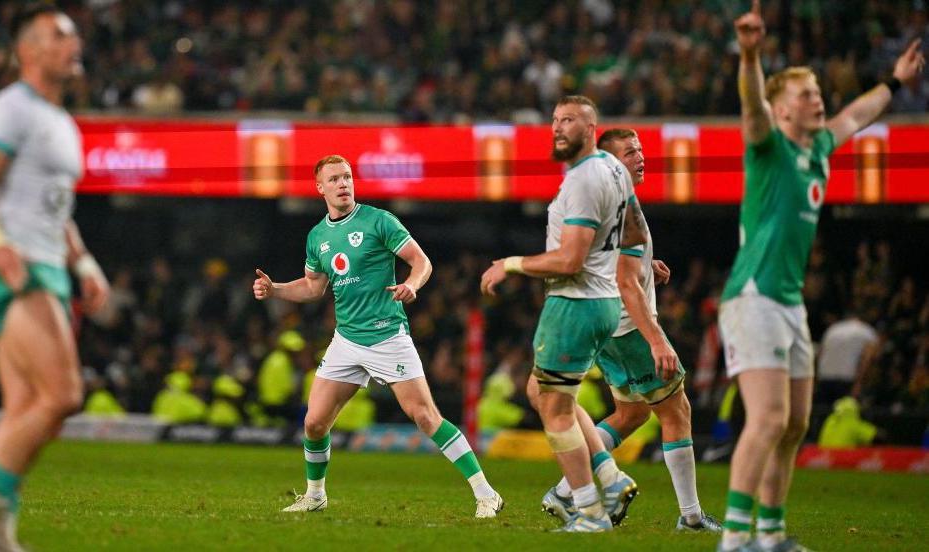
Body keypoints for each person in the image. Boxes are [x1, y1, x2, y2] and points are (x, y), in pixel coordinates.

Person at [718, 3, 924, 551]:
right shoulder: (769, 146)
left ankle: (770, 534)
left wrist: (894, 81)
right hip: (754, 297)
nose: (818, 99)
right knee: (767, 419)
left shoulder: (821, 146)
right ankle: (734, 539)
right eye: (806, 94)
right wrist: (750, 55)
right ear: (783, 109)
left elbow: (858, 114)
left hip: (788, 304)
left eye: (817, 92)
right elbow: (751, 105)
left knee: (794, 425)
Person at [254, 154, 502, 518]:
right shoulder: (318, 236)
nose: (343, 183)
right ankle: (315, 495)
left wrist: (412, 284)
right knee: (314, 422)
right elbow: (313, 287)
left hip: (387, 336)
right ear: (320, 187)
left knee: (425, 416)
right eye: (334, 179)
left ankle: (486, 493)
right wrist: (274, 289)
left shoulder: (379, 220)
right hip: (347, 340)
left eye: (347, 177)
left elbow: (421, 262)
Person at [0, 5, 110, 550]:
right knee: (63, 395)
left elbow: (56, 210)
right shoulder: (10, 109)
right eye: (58, 36)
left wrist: (83, 262)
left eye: (73, 35)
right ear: (28, 50)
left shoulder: (61, 121)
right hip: (17, 269)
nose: (73, 44)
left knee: (24, 408)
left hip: (47, 266)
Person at [541, 128, 721, 532]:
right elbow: (624, 282)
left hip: (606, 328)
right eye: (629, 152)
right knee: (677, 411)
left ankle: (565, 492)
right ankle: (691, 517)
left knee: (632, 412)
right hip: (630, 328)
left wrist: (645, 265)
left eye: (640, 150)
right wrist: (656, 339)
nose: (640, 157)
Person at [480, 95, 643, 532]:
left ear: (590, 129)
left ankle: (589, 510)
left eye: (568, 120)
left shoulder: (585, 179)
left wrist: (511, 264)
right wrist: (626, 267)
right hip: (603, 302)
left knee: (554, 410)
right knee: (543, 391)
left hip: (574, 303)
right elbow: (635, 232)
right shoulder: (614, 170)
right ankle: (610, 477)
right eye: (555, 120)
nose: (557, 128)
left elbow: (569, 260)